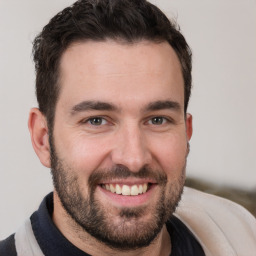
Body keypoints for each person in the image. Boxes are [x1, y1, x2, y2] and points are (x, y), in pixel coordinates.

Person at [1, 0, 255, 255]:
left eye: (157, 120)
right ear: (43, 139)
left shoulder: (241, 234)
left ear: (186, 133)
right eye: (96, 120)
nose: (134, 159)